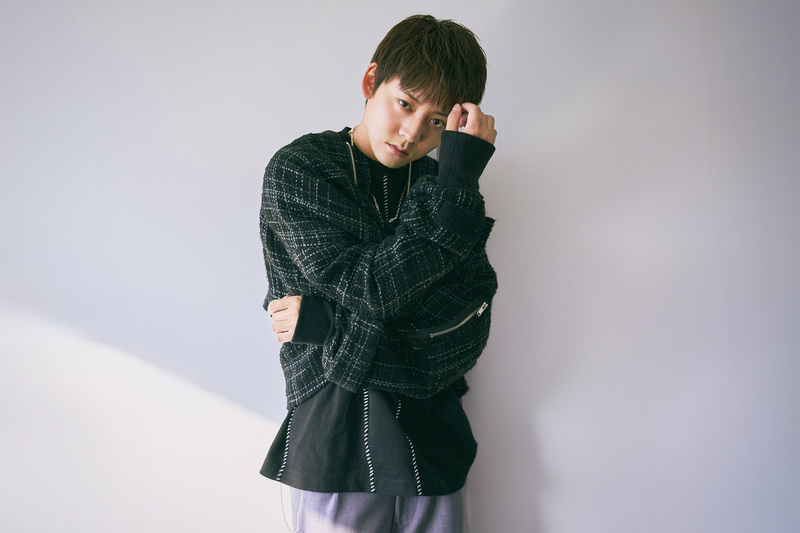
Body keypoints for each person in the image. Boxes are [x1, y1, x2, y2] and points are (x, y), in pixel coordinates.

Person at [259, 14, 497, 532]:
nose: (412, 133)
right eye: (405, 104)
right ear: (372, 82)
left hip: (433, 440)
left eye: (438, 122)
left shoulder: (447, 186)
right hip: (334, 431)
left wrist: (325, 323)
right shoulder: (304, 169)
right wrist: (394, 319)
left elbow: (468, 326)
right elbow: (372, 289)